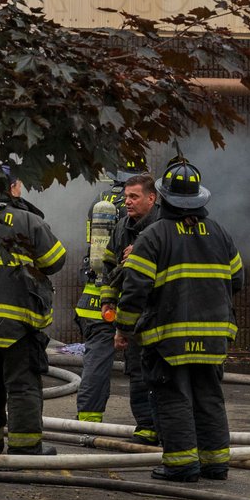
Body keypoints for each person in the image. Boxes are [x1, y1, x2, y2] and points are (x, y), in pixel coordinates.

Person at [116, 158, 242, 483]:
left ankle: (181, 464)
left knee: (172, 396)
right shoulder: (221, 233)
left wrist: (124, 328)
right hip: (215, 336)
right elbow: (237, 280)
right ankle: (215, 464)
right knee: (209, 396)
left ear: (164, 197)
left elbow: (134, 290)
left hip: (168, 338)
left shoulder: (154, 235)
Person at [0, 166, 66, 455]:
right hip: (18, 324)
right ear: (14, 187)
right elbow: (56, 261)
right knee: (22, 386)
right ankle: (26, 446)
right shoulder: (28, 220)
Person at [104, 172, 160, 442]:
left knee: (161, 373)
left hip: (160, 312)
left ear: (152, 198)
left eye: (134, 196)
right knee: (137, 371)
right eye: (126, 196)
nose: (127, 202)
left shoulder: (163, 225)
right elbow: (108, 267)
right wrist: (107, 301)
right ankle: (147, 427)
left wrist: (141, 252)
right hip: (134, 311)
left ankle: (166, 427)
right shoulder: (122, 226)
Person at [74, 175, 126, 424]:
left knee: (96, 361)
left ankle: (88, 417)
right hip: (121, 297)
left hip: (91, 297)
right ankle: (150, 426)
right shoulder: (135, 204)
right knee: (142, 363)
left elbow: (91, 247)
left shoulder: (99, 201)